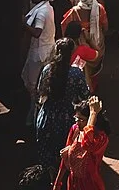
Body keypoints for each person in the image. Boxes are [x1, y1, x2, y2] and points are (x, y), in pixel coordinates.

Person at [35, 37, 90, 170]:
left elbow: (39, 92)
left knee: (46, 160)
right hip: (66, 122)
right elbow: (85, 95)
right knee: (65, 160)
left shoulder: (47, 69)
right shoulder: (76, 73)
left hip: (46, 119)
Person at [62, 0, 108, 89]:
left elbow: (64, 25)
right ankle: (91, 85)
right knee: (93, 62)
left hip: (77, 43)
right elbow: (105, 26)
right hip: (96, 41)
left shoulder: (73, 11)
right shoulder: (99, 9)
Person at [58, 96, 110, 190]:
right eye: (76, 118)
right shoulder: (75, 129)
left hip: (90, 185)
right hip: (73, 182)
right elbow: (64, 160)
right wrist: (57, 182)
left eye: (81, 120)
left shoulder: (101, 138)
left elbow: (87, 144)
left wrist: (93, 113)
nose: (77, 123)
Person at [23, 0, 56, 105]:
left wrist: (24, 24)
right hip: (47, 50)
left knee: (33, 84)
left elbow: (37, 32)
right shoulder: (48, 8)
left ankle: (34, 108)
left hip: (39, 53)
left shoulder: (41, 12)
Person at [64, 22, 101, 92]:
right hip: (79, 88)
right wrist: (88, 40)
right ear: (79, 35)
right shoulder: (82, 50)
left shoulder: (59, 48)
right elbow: (99, 54)